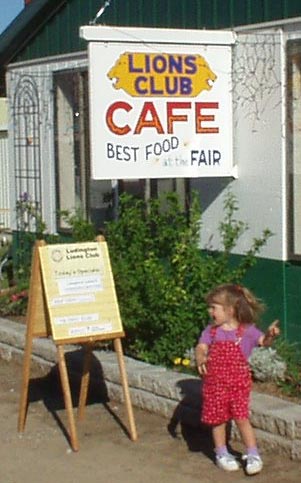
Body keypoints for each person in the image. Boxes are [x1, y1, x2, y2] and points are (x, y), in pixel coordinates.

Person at [195, 283, 280, 475]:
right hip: (215, 385)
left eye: (214, 308)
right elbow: (201, 346)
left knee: (241, 418)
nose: (210, 312)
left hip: (238, 386)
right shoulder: (211, 332)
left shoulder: (247, 331)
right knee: (218, 420)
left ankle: (252, 453)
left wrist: (270, 335)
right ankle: (221, 452)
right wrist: (200, 357)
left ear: (230, 310)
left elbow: (263, 342)